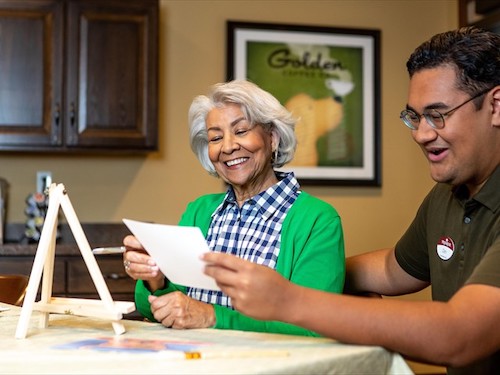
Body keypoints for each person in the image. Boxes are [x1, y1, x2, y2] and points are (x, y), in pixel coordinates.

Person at [203, 27, 500, 374]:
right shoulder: (447, 195)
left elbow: (460, 334)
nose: (421, 134)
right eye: (414, 118)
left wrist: (291, 299)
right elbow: (393, 268)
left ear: (495, 106)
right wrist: (311, 269)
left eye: (438, 115)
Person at [122, 79, 345, 336]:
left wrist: (212, 316)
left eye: (241, 131)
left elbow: (316, 325)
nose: (227, 147)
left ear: (272, 138)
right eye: (216, 137)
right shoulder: (199, 211)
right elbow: (164, 308)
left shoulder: (317, 220)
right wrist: (155, 279)